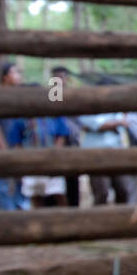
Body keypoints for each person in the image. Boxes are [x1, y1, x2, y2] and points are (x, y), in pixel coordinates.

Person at [0, 61, 29, 210]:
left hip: (20, 148)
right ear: (5, 76)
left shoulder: (20, 97)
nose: (19, 76)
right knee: (5, 188)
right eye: (15, 72)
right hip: (5, 148)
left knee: (22, 190)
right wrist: (3, 148)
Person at [78, 113, 136, 204]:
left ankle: (121, 217)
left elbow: (124, 121)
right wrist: (117, 123)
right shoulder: (87, 107)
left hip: (116, 151)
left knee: (123, 189)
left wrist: (108, 124)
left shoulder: (114, 107)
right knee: (102, 192)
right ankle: (98, 217)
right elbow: (94, 124)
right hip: (95, 154)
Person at [49, 66, 82, 207]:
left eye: (62, 77)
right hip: (56, 141)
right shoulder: (53, 93)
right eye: (56, 77)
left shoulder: (73, 93)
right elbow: (55, 107)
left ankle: (73, 207)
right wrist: (56, 86)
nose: (59, 80)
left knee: (72, 180)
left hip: (71, 143)